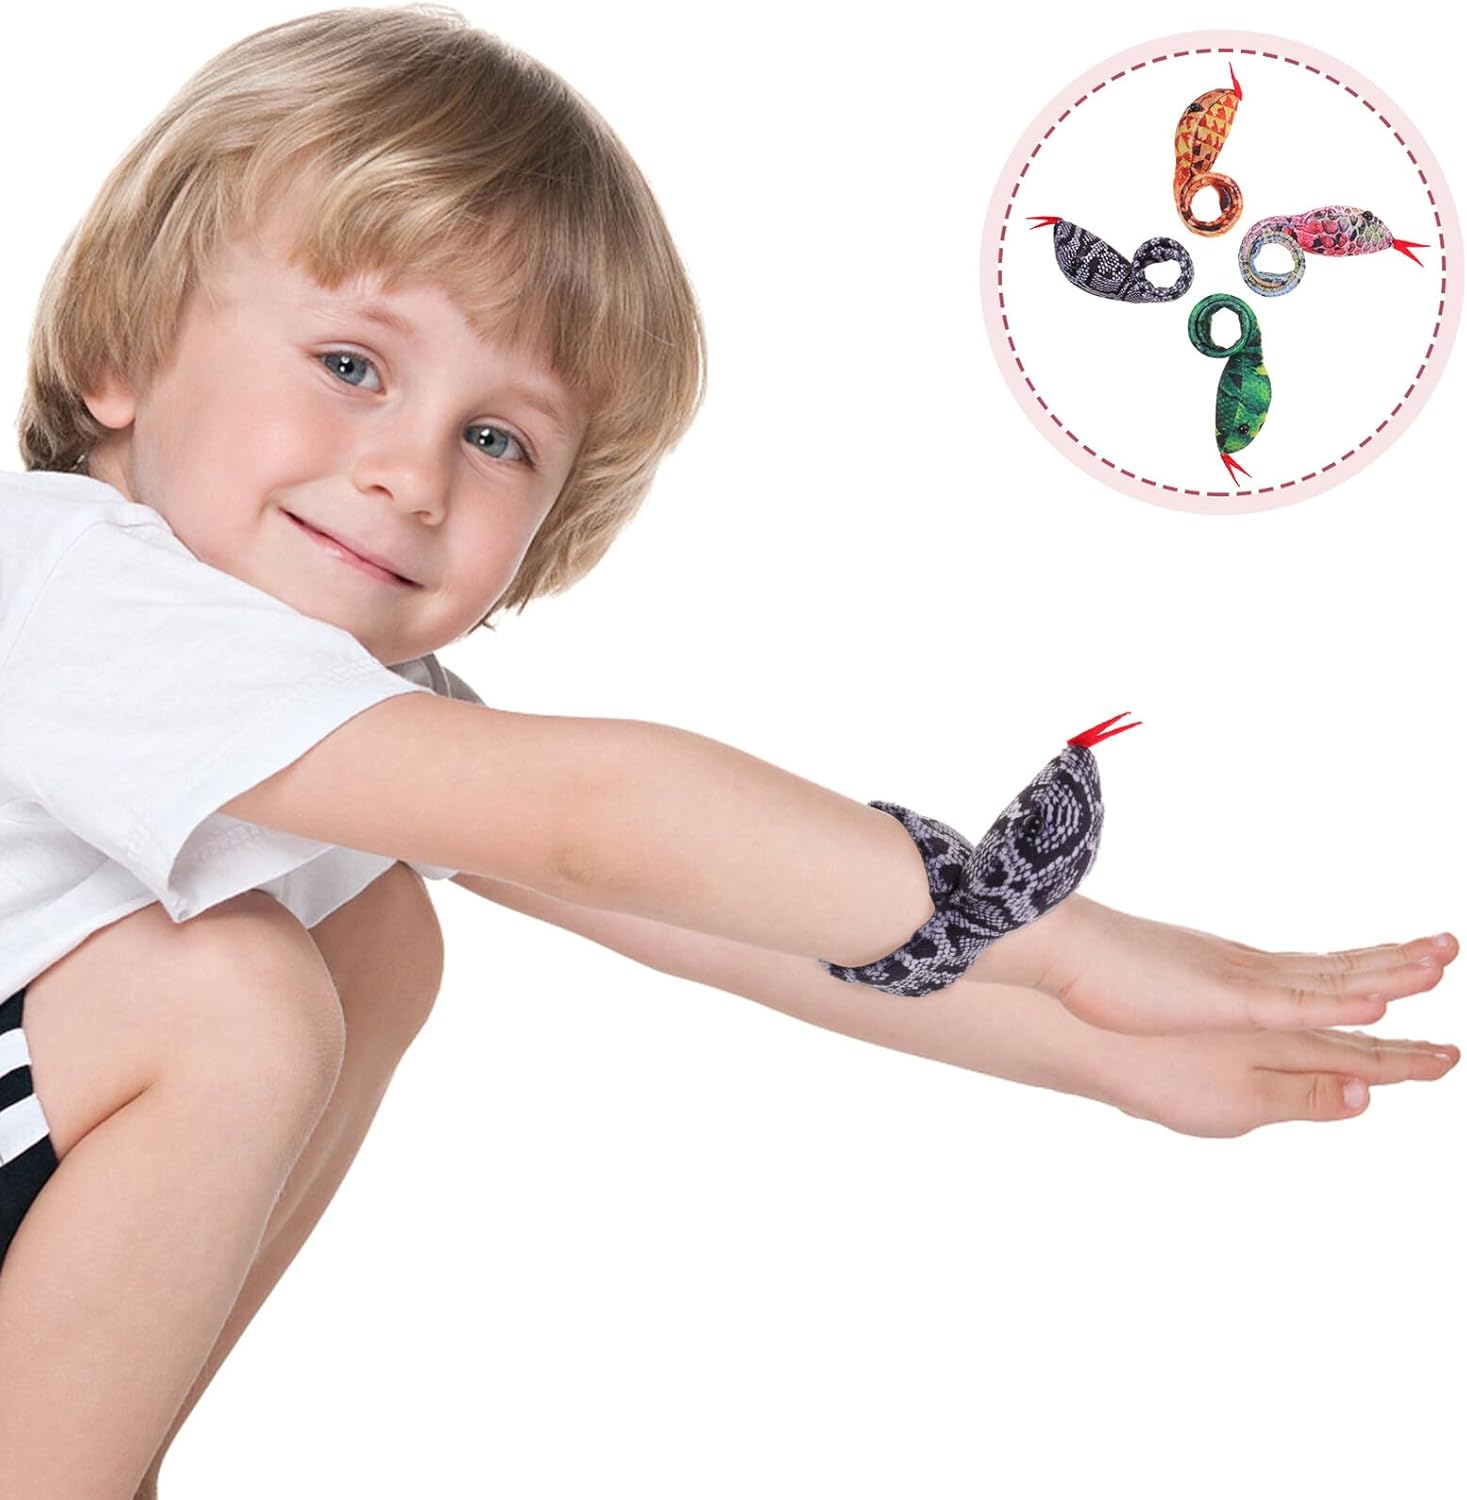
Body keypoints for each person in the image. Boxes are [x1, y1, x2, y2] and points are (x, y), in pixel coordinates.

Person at [0, 8, 1456, 1496]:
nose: (412, 473)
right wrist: (1057, 934)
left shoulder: (333, 709)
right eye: (350, 363)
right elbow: (596, 817)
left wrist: (1114, 1052)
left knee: (379, 934)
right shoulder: (65, 586)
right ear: (123, 348)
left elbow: (717, 919)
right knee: (235, 995)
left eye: (499, 441)